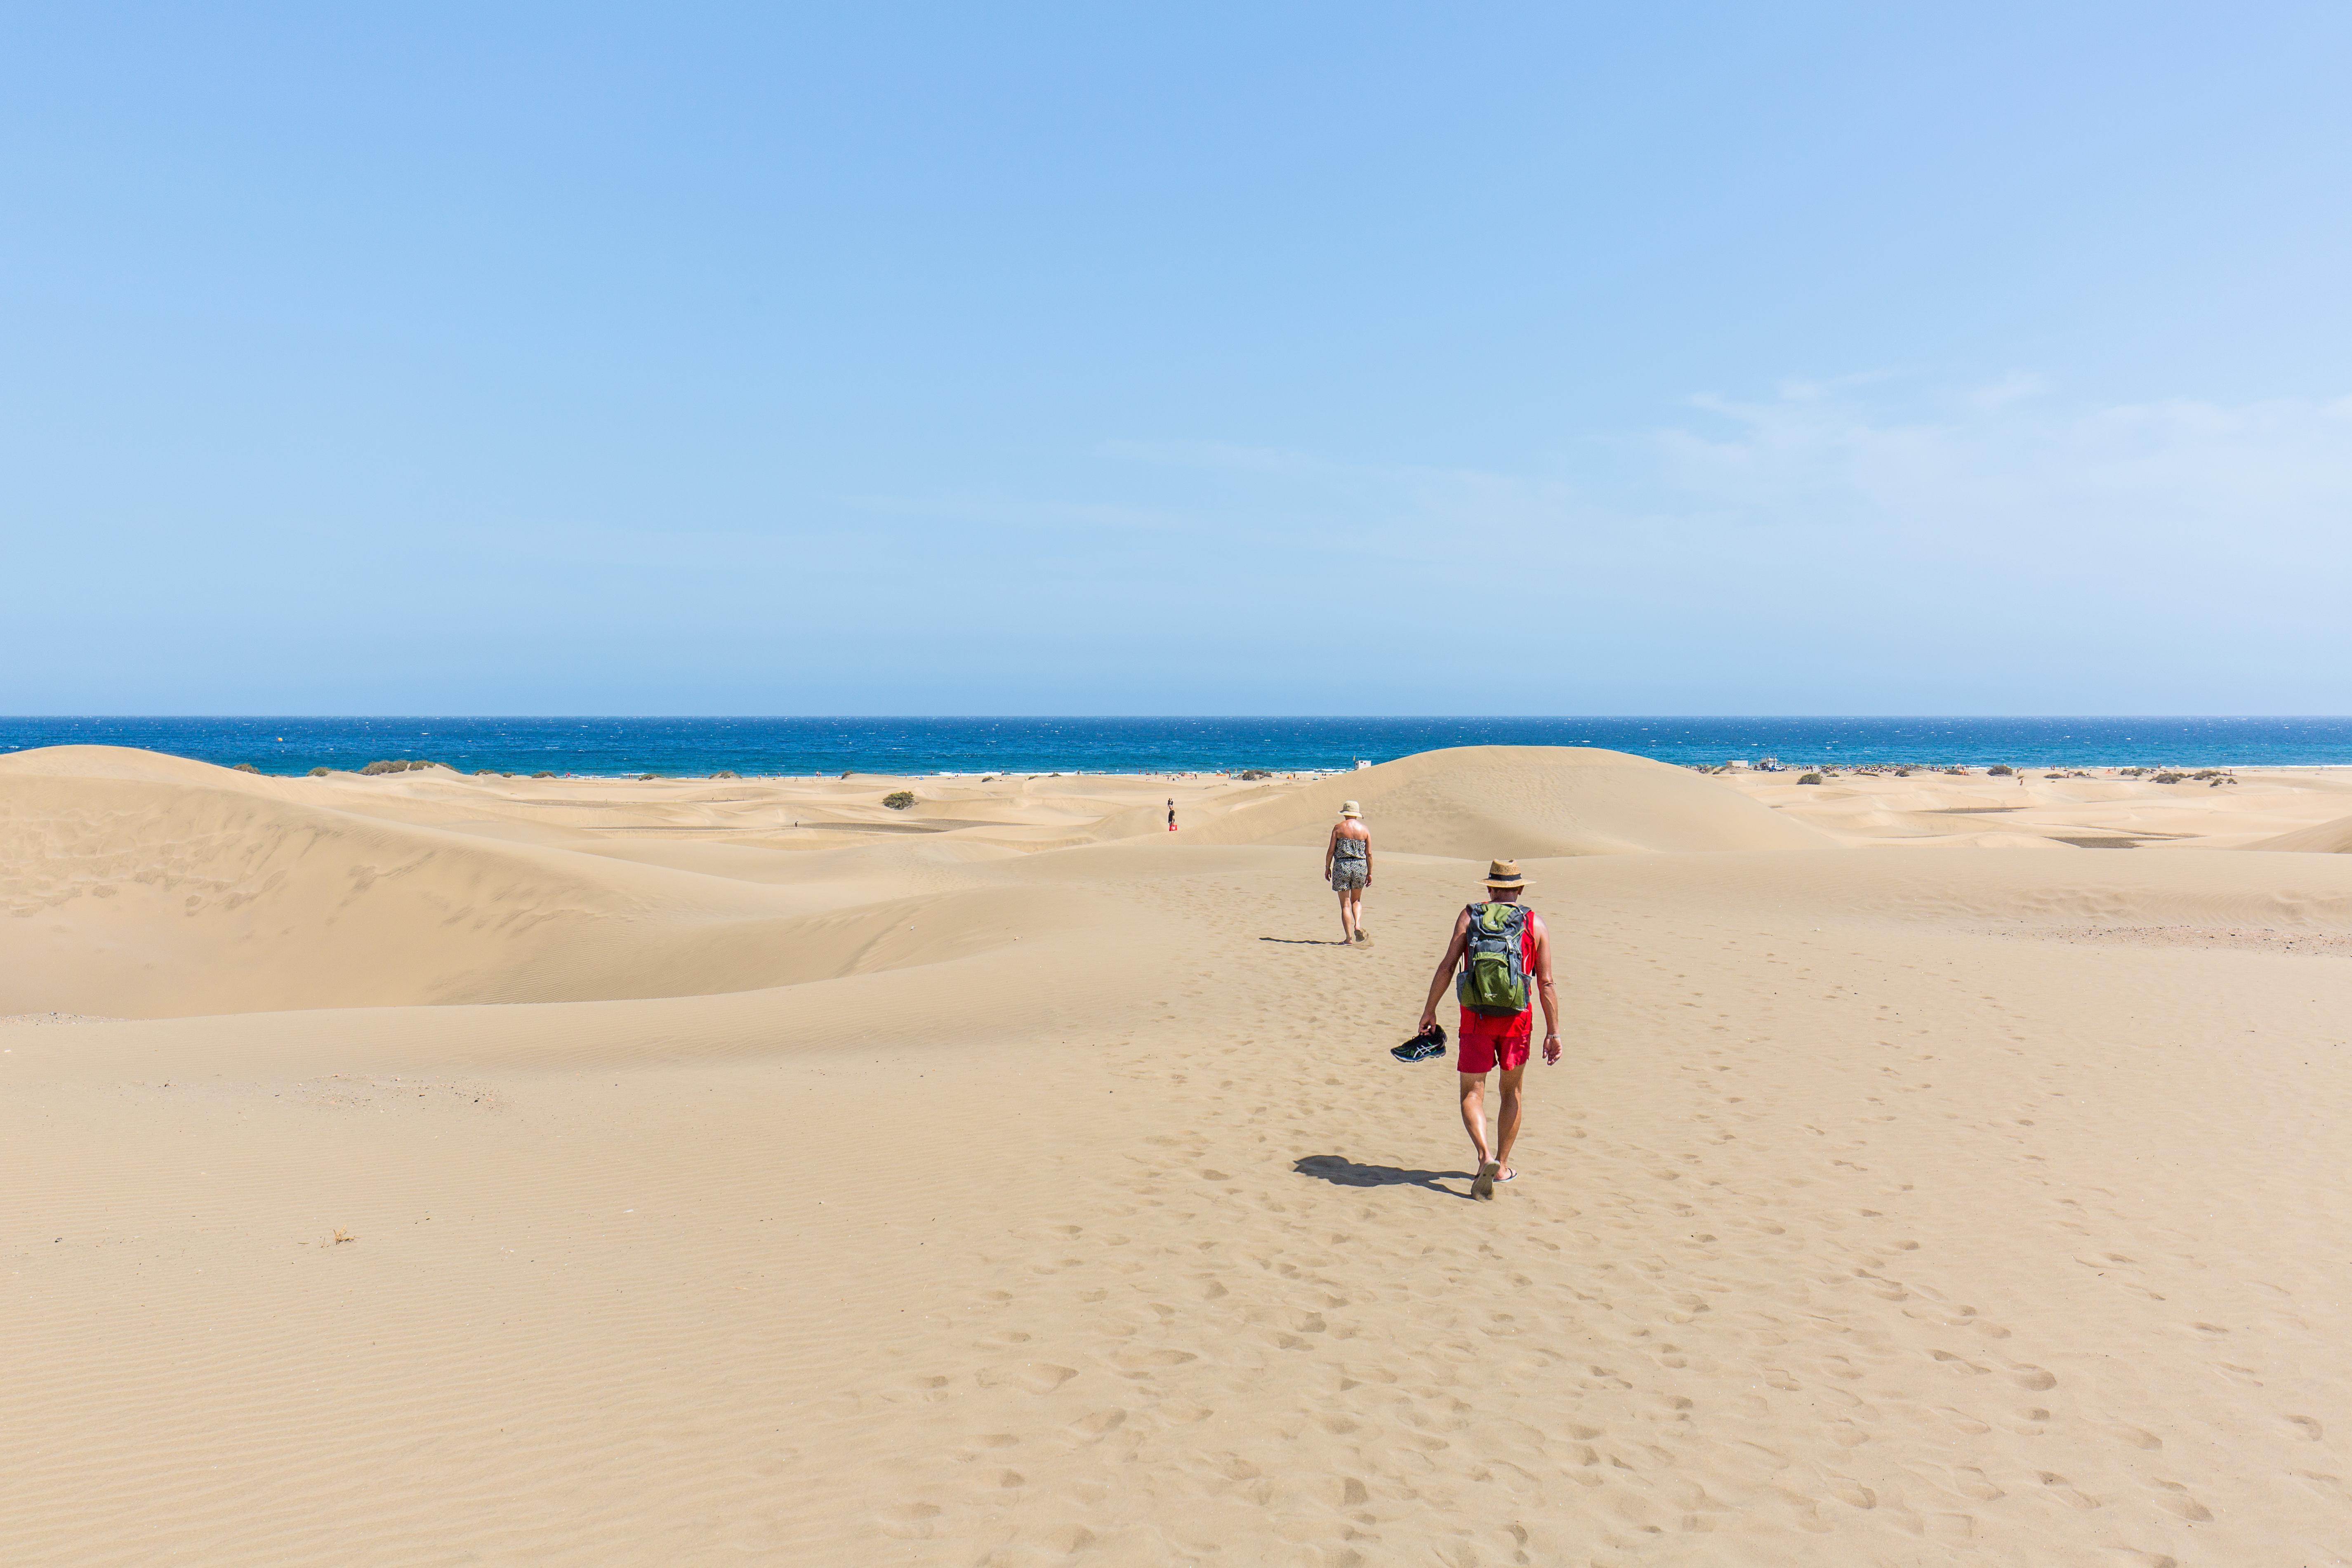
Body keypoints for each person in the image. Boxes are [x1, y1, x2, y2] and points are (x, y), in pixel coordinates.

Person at [1415, 859, 1560, 1199]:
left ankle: (1484, 1156)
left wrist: (1430, 1009)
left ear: (1489, 888)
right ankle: (1504, 1165)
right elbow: (1547, 982)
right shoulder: (1533, 922)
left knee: (1471, 1094)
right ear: (1520, 889)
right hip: (1517, 1020)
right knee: (1511, 1093)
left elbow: (1449, 965)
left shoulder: (1470, 917)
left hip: (1475, 1016)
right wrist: (1553, 1032)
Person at [1323, 800, 1372, 945]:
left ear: (1345, 814)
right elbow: (1369, 854)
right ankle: (1358, 924)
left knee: (1345, 905)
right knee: (1356, 900)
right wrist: (1370, 873)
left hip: (1342, 866)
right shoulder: (1364, 830)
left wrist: (1327, 867)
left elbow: (1331, 850)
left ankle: (1349, 938)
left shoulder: (1339, 828)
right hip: (1360, 866)